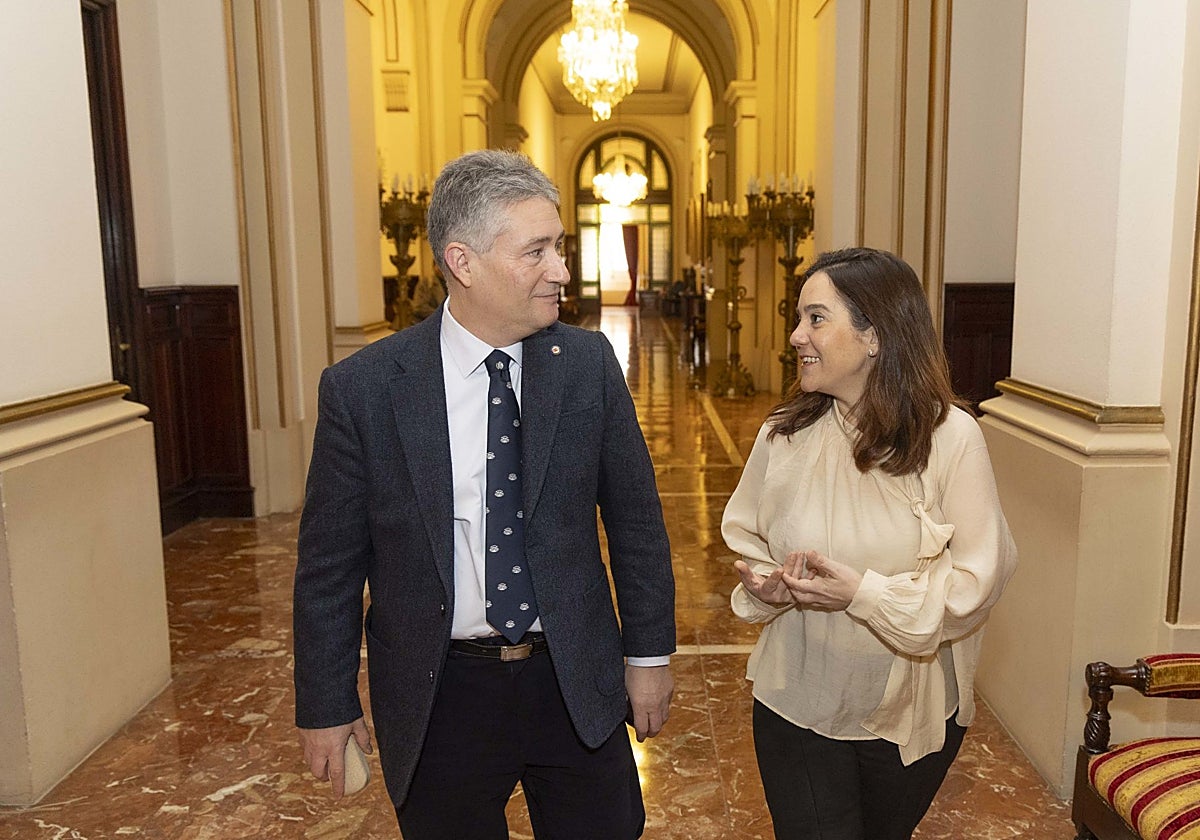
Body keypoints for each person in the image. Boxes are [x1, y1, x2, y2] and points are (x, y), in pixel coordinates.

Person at [293, 149, 676, 839]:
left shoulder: (586, 366)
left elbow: (637, 524)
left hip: (573, 679)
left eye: (557, 247)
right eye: (537, 251)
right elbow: (329, 567)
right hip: (440, 692)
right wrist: (325, 702)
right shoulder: (366, 390)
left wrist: (648, 658)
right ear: (463, 262)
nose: (560, 269)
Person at [722, 247, 1017, 840]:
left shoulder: (951, 438)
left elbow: (976, 585)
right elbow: (747, 536)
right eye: (799, 317)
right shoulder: (783, 435)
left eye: (816, 318)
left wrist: (862, 594)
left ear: (875, 335)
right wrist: (765, 584)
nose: (795, 334)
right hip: (798, 700)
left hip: (909, 714)